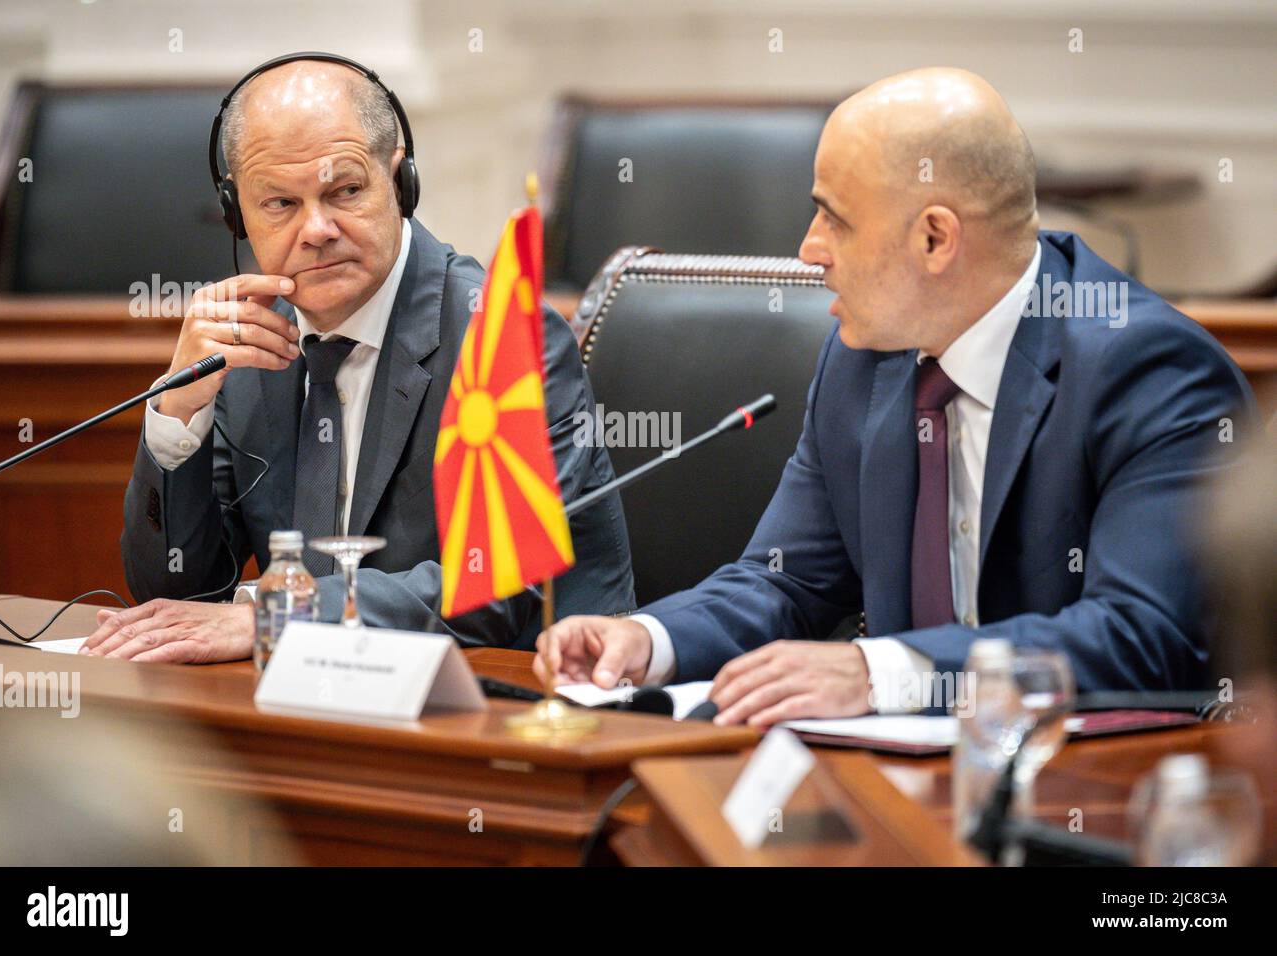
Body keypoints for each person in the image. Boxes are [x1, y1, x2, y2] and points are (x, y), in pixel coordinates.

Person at [535, 67, 1255, 726]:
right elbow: (785, 582)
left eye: (834, 218)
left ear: (936, 240)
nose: (809, 248)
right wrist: (648, 639)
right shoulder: (864, 358)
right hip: (901, 783)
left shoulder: (1150, 371)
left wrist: (885, 674)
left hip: (1089, 792)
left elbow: (1141, 636)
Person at [83, 55, 634, 663]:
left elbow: (500, 588)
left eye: (344, 190)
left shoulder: (502, 337)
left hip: (516, 708)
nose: (317, 229)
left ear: (400, 184)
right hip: (313, 707)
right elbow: (174, 595)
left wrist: (285, 615)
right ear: (238, 215)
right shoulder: (248, 347)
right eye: (280, 204)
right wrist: (179, 408)